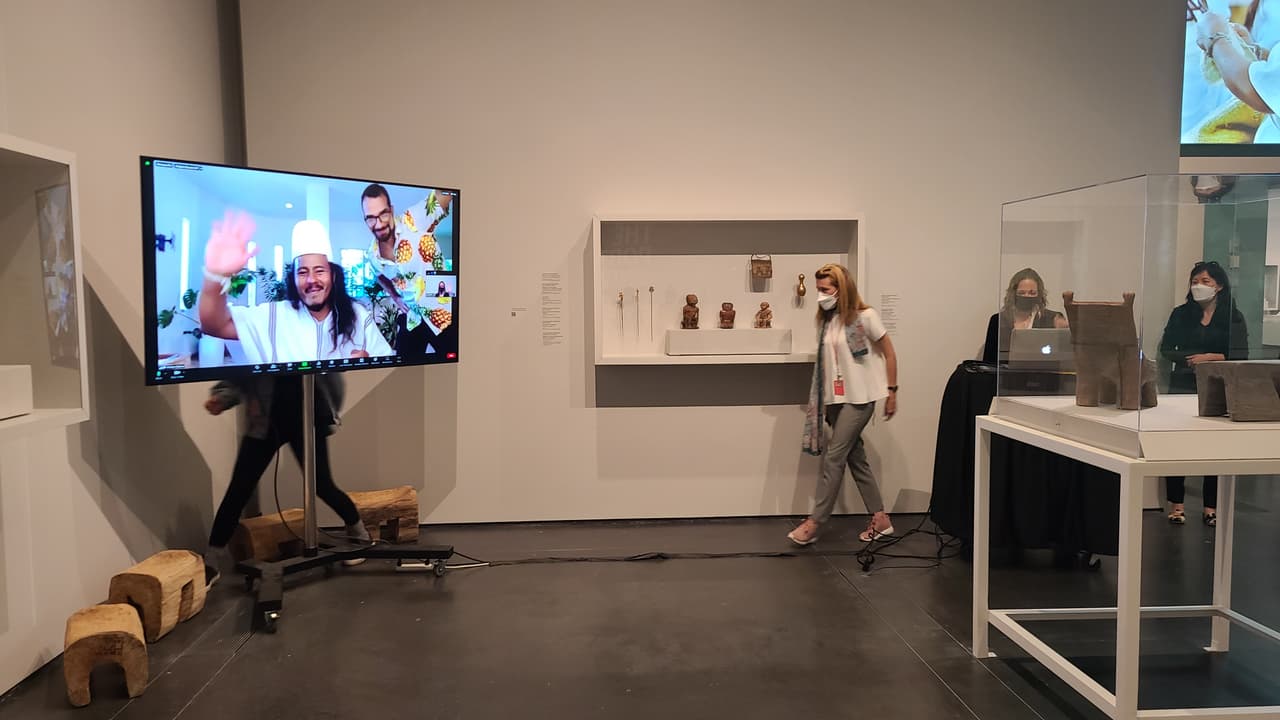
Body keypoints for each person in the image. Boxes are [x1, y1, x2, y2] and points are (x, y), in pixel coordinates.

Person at [201, 373, 369, 586]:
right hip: (264, 422)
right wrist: (222, 398)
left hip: (306, 419)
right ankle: (212, 561)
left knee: (322, 485)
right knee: (239, 490)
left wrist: (329, 412)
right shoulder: (258, 349)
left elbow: (332, 375)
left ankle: (361, 536)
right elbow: (241, 373)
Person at [789, 263, 898, 545]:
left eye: (825, 289)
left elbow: (889, 352)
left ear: (841, 288)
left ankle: (816, 521)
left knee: (834, 457)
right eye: (818, 289)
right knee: (855, 458)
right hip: (836, 399)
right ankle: (881, 519)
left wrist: (892, 391)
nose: (820, 295)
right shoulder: (827, 321)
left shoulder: (866, 316)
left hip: (860, 399)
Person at [198, 213, 392, 363]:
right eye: (302, 272)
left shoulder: (359, 316)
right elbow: (214, 325)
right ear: (293, 278)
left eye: (319, 271)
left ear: (333, 276)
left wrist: (367, 364)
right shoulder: (274, 315)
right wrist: (215, 275)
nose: (311, 280)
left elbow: (387, 364)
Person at [1158, 260, 1249, 526]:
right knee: (1177, 447)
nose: (1199, 286)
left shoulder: (1232, 316)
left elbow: (1240, 352)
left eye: (1205, 281)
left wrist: (1212, 357)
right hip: (1183, 385)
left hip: (1217, 387)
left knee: (1215, 447)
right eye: (1195, 281)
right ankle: (1176, 505)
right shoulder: (1181, 314)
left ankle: (1211, 507)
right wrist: (1191, 358)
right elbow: (1167, 348)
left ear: (1219, 286)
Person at [361, 184, 458, 356]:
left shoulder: (414, 218)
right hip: (412, 316)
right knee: (404, 366)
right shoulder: (372, 254)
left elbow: (447, 191)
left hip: (443, 309)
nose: (379, 224)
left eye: (383, 214)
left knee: (456, 363)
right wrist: (396, 297)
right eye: (371, 218)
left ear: (391, 210)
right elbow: (379, 276)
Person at [982, 268, 1069, 364]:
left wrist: (1067, 332)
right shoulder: (998, 320)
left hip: (1041, 372)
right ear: (1013, 294)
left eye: (1032, 293)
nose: (1027, 296)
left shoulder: (1052, 318)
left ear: (1039, 294)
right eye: (1021, 293)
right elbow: (988, 362)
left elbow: (1063, 359)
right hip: (1006, 372)